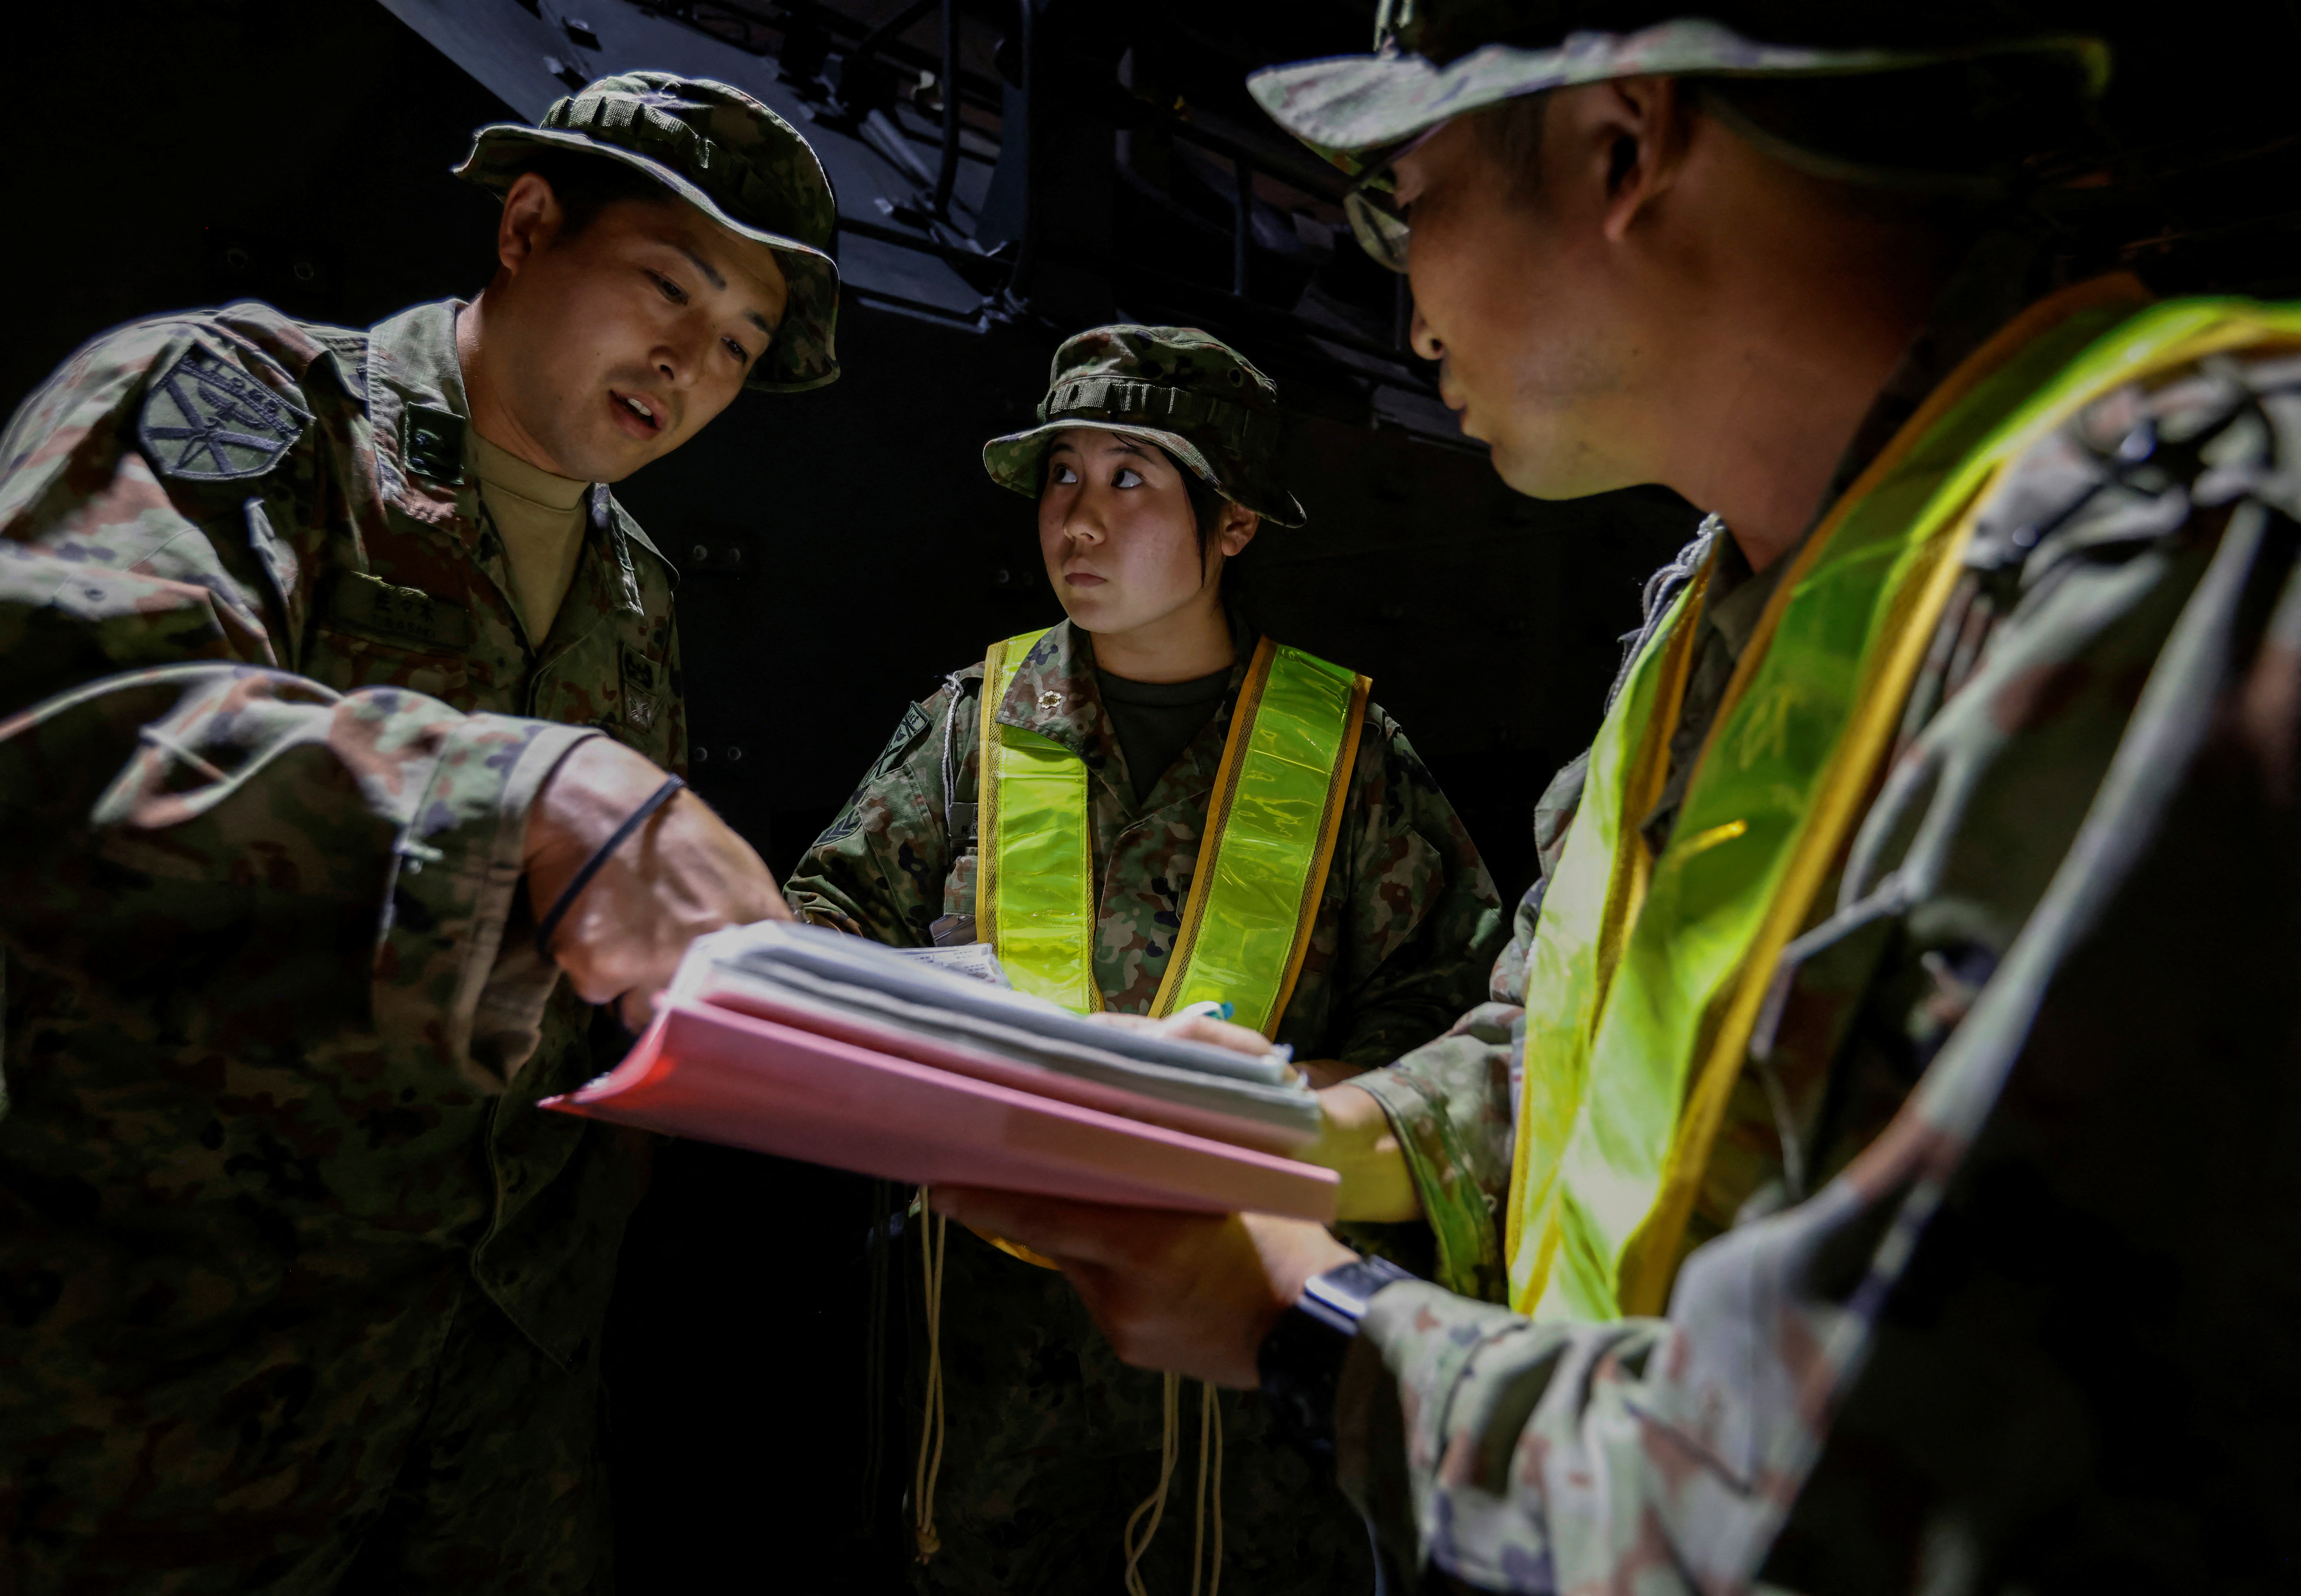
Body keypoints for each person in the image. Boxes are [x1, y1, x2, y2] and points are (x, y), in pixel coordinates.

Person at [934, 4, 2301, 1591]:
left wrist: (1298, 1314)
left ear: (1621, 145)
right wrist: (1281, 1134)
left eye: (1406, 191)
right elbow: (1572, 1051)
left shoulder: (2183, 572)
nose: (1399, 275)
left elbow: (1864, 1485)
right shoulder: (1717, 600)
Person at [0, 72, 833, 1591]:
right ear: (529, 226)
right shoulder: (255, 407)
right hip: (169, 1406)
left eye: (739, 345)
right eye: (669, 286)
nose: (691, 361)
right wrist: (516, 791)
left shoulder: (633, 588)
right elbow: (18, 734)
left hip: (485, 1418)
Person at [786, 325, 1505, 1592]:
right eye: (1062, 473)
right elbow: (819, 935)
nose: (1078, 517)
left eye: (1131, 479)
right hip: (987, 1380)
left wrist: (1253, 1110)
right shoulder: (973, 723)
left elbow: (1457, 1027)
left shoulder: (1342, 752)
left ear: (1230, 524)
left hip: (1237, 1392)